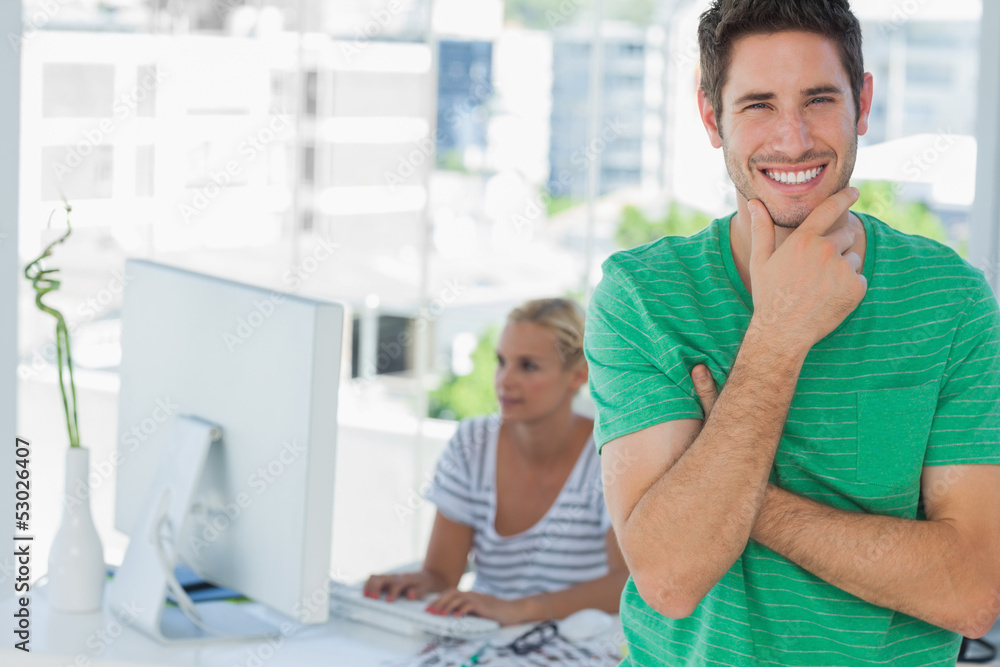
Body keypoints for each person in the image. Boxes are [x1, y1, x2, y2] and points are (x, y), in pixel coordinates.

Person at [584, 1, 1000, 665]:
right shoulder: (643, 297)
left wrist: (751, 500)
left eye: (819, 98)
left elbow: (972, 589)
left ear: (862, 102)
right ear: (709, 115)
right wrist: (777, 336)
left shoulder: (951, 301)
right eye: (757, 105)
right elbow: (669, 576)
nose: (793, 138)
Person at [365, 298, 628, 625]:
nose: (504, 380)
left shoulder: (608, 455)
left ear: (578, 375)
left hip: (576, 642)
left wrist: (520, 610)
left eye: (528, 366)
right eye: (501, 361)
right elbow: (442, 575)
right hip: (486, 635)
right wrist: (418, 583)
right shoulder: (472, 443)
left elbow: (625, 584)